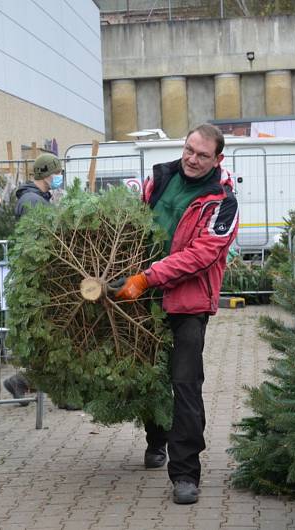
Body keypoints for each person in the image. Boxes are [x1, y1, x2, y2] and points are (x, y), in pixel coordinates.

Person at [113, 124, 238, 505]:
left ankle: (185, 474)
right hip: (147, 298)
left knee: (184, 385)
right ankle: (156, 441)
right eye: (189, 149)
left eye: (202, 155)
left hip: (188, 305)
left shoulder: (224, 202)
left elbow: (202, 255)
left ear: (217, 159)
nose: (192, 159)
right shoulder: (161, 179)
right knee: (149, 374)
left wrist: (147, 277)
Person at [4, 153, 80, 410]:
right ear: (46, 173)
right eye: (57, 173)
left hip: (47, 279)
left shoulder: (39, 199)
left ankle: (22, 381)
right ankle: (59, 394)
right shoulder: (32, 202)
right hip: (41, 281)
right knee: (57, 337)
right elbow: (41, 241)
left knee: (55, 336)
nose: (60, 177)